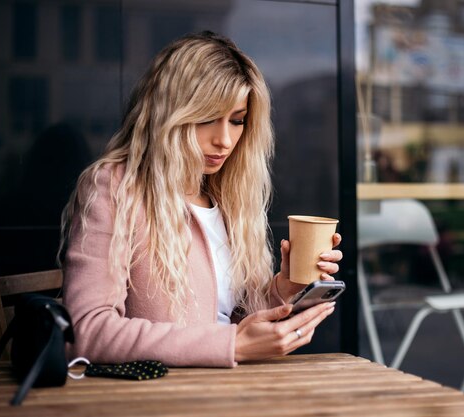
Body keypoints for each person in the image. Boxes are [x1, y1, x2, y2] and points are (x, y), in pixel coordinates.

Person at [59, 31, 342, 368]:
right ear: (169, 115)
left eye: (237, 121)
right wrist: (232, 345)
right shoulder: (116, 187)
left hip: (227, 389)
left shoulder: (225, 197)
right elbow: (85, 332)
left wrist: (284, 288)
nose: (224, 140)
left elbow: (228, 321)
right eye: (207, 118)